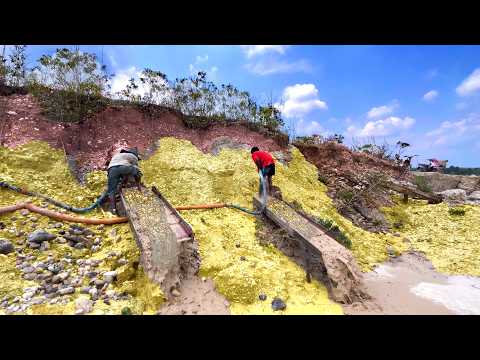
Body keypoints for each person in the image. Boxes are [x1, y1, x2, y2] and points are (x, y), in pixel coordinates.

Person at [106, 147, 143, 214]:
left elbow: (119, 171)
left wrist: (123, 182)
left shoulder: (116, 156)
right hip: (123, 167)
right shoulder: (133, 156)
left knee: (111, 191)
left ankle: (113, 210)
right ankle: (139, 186)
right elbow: (134, 169)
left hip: (111, 170)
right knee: (137, 172)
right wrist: (137, 178)